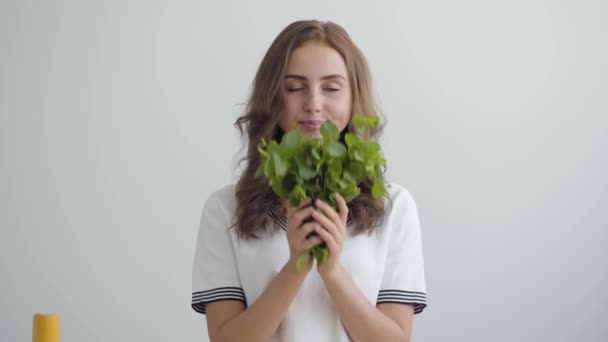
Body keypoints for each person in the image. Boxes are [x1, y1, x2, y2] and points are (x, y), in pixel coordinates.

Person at [191, 19, 427, 341]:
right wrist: (296, 267)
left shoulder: (394, 206)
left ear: (353, 98)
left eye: (331, 88)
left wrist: (332, 271)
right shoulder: (224, 209)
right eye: (294, 87)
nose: (314, 104)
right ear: (272, 96)